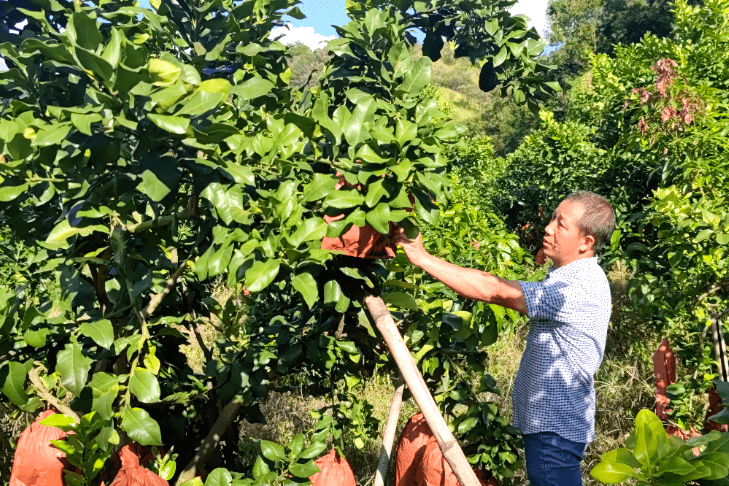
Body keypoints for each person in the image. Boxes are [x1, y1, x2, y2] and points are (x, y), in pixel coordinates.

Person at [394, 191, 616, 486]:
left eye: (560, 224)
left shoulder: (577, 287)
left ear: (586, 242)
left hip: (554, 429)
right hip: (553, 425)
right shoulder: (575, 275)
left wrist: (422, 258)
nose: (548, 228)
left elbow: (494, 290)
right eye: (552, 218)